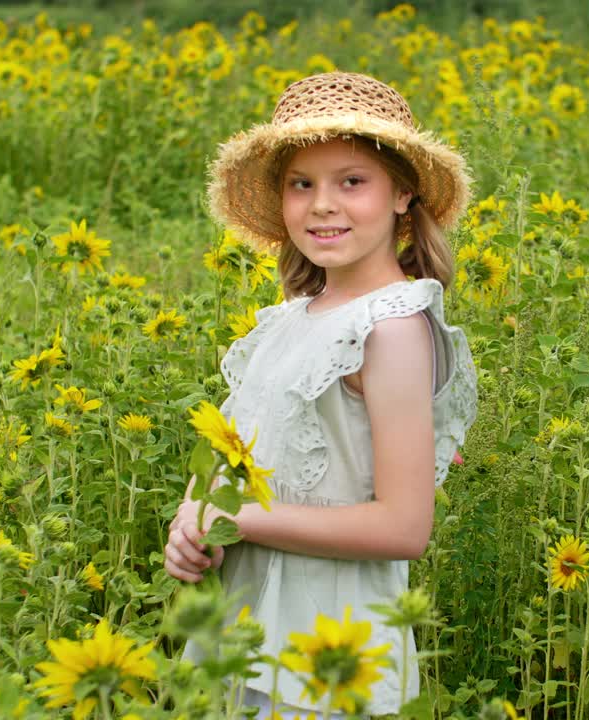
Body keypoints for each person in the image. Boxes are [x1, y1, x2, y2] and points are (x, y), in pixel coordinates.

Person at [163, 72, 479, 718]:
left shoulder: (390, 329)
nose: (322, 204)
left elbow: (404, 524)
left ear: (402, 194)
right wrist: (191, 519)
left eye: (351, 181)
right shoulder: (288, 320)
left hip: (332, 647)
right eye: (301, 183)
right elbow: (232, 451)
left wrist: (240, 518)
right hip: (244, 622)